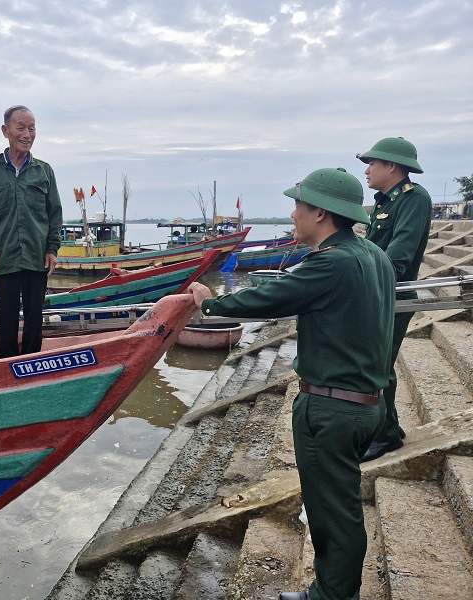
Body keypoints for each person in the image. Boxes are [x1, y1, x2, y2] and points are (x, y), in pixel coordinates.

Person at [188, 167, 395, 600]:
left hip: (332, 408)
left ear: (320, 213)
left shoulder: (331, 263)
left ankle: (333, 596)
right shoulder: (372, 254)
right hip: (363, 402)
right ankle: (330, 589)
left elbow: (269, 297)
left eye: (298, 206)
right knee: (334, 507)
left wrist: (211, 303)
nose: (292, 214)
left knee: (332, 513)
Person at [356, 137, 433, 462]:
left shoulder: (413, 199)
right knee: (379, 364)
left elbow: (398, 258)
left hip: (393, 296)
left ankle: (386, 435)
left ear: (392, 166)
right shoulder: (385, 202)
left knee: (377, 367)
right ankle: (390, 428)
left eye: (372, 164)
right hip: (379, 294)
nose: (367, 170)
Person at [0, 105, 63, 358]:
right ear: (6, 131)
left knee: (35, 316)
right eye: (21, 128)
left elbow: (54, 214)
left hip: (37, 256)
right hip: (5, 257)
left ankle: (33, 365)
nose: (27, 134)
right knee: (6, 316)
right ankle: (6, 366)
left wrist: (52, 249)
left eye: (32, 128)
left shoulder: (44, 171)